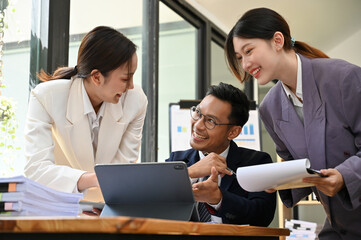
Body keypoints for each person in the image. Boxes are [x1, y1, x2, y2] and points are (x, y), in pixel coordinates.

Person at [225, 7, 361, 239]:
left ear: (277, 40)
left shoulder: (344, 78)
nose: (246, 64)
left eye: (249, 51)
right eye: (240, 58)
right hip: (340, 222)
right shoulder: (270, 108)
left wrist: (344, 176)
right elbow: (293, 162)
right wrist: (277, 180)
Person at [24, 26, 148, 201]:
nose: (131, 86)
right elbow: (36, 169)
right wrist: (92, 179)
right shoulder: (46, 97)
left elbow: (123, 169)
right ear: (96, 77)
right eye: (125, 78)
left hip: (107, 209)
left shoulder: (136, 101)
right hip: (57, 205)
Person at [167, 82, 276, 226]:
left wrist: (218, 199)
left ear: (233, 132)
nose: (198, 125)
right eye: (198, 113)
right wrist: (189, 173)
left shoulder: (256, 162)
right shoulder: (177, 161)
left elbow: (262, 216)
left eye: (210, 121)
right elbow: (151, 202)